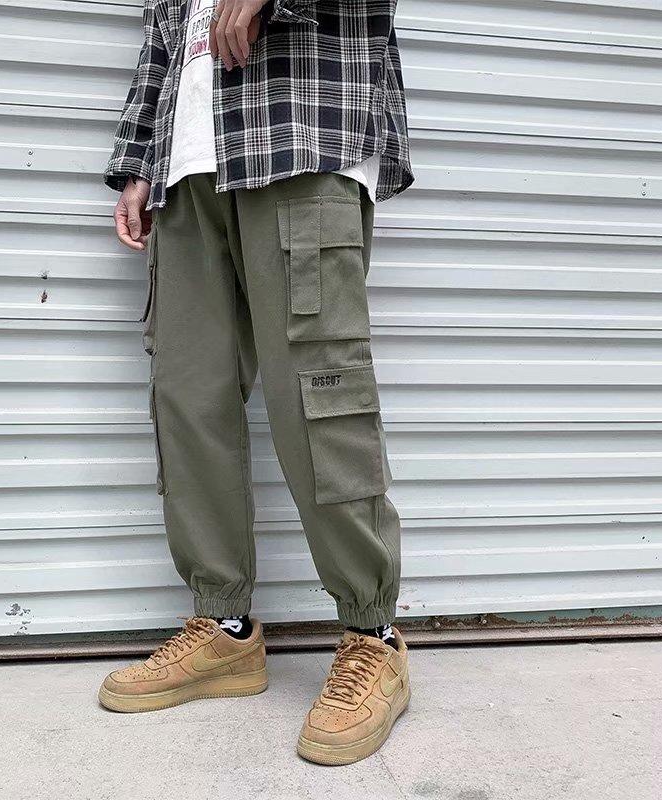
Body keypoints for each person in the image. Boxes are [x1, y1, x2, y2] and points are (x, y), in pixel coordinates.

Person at [98, 0, 414, 765]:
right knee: (188, 397)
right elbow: (162, 41)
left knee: (320, 398)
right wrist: (139, 162)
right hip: (186, 171)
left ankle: (373, 634)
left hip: (299, 135)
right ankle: (225, 628)